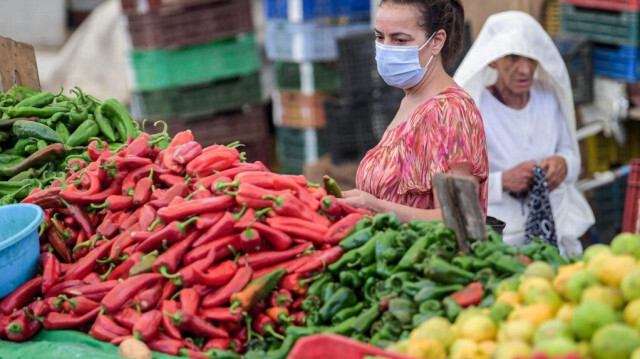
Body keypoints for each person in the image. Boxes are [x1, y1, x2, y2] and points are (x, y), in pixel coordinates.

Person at [453, 11, 595, 256]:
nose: (525, 69)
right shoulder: (472, 108)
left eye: (531, 58)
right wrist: (501, 182)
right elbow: (452, 184)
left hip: (556, 227)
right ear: (493, 60)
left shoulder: (548, 96)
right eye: (513, 58)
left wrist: (562, 164)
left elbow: (571, 156)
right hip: (499, 236)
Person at [338, 0, 489, 222]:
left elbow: (461, 218)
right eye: (380, 37)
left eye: (400, 40)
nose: (386, 48)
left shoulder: (451, 112)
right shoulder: (411, 100)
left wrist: (375, 207)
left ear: (437, 41)